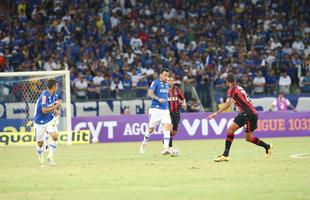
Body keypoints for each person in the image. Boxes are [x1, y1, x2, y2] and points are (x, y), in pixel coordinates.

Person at [208, 74, 272, 162]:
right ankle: (225, 155)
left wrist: (217, 113)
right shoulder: (238, 88)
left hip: (250, 115)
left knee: (248, 138)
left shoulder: (232, 89)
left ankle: (267, 146)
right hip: (244, 113)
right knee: (230, 130)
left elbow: (228, 104)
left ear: (227, 82)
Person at [139, 69, 172, 155]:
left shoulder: (167, 85)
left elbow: (166, 96)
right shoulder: (155, 82)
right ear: (160, 75)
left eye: (167, 75)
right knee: (150, 129)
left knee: (167, 127)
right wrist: (158, 99)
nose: (166, 77)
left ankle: (166, 149)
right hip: (155, 109)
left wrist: (168, 99)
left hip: (165, 110)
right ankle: (144, 142)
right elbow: (150, 93)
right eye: (165, 75)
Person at [34, 79, 62, 167]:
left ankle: (50, 156)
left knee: (55, 135)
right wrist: (55, 107)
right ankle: (40, 155)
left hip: (50, 119)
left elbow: (58, 102)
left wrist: (57, 108)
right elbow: (44, 110)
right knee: (40, 143)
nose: (58, 87)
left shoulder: (56, 94)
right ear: (53, 87)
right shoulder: (44, 96)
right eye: (57, 86)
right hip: (39, 121)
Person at [167, 77, 186, 150]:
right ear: (166, 81)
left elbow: (183, 99)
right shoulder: (164, 91)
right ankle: (170, 146)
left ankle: (166, 139)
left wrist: (184, 103)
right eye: (169, 80)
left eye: (171, 80)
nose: (170, 82)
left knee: (174, 132)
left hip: (176, 113)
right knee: (170, 128)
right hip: (167, 113)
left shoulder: (177, 90)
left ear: (173, 82)